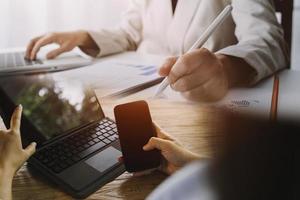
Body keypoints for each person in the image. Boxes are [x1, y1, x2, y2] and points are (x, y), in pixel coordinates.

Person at [25, 0, 288, 101]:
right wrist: (84, 36)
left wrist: (224, 67)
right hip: (140, 94)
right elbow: (129, 33)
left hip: (204, 103)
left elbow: (267, 39)